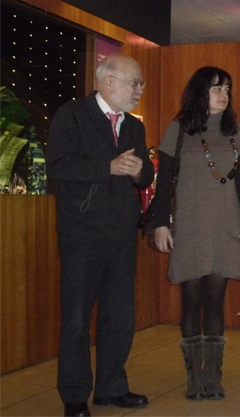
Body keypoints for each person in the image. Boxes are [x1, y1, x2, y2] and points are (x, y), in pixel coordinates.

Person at [46, 53, 154, 417]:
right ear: (108, 81)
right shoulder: (72, 115)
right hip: (81, 234)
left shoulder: (134, 126)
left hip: (122, 234)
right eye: (134, 82)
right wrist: (106, 167)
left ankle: (111, 387)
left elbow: (146, 174)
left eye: (140, 83)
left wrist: (142, 172)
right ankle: (74, 396)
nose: (139, 89)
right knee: (76, 318)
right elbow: (58, 166)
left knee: (120, 315)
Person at [153, 66, 240, 401]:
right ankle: (192, 379)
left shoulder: (234, 131)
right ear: (200, 91)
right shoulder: (179, 129)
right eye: (215, 88)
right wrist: (160, 223)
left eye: (226, 88)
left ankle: (213, 377)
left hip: (225, 226)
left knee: (215, 302)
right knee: (190, 301)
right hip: (190, 227)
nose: (223, 94)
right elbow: (164, 180)